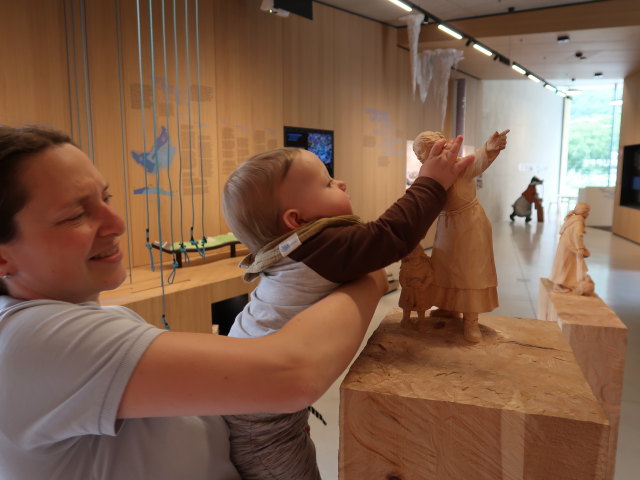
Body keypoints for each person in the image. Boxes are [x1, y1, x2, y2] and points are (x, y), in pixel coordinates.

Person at [0, 125, 390, 480]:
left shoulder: (87, 322)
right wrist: (368, 273)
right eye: (75, 215)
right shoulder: (29, 341)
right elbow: (293, 374)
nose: (117, 223)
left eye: (105, 198)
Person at [221, 136, 473, 479]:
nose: (341, 183)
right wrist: (431, 184)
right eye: (327, 183)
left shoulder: (297, 248)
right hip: (260, 417)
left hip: (250, 395)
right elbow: (391, 235)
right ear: (296, 219)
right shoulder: (319, 246)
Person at [412, 129, 509, 343]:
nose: (418, 157)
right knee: (444, 267)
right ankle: (449, 308)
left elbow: (478, 161)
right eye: (417, 154)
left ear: (432, 149)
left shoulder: (458, 164)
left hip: (470, 224)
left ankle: (470, 320)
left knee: (469, 271)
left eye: (420, 152)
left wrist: (489, 147)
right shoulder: (428, 171)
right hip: (447, 225)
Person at [550, 202, 594, 294]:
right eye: (587, 212)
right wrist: (580, 248)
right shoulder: (579, 221)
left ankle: (563, 283)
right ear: (583, 212)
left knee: (566, 264)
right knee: (566, 264)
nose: (588, 214)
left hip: (566, 244)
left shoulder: (573, 218)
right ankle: (558, 284)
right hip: (569, 246)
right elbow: (578, 235)